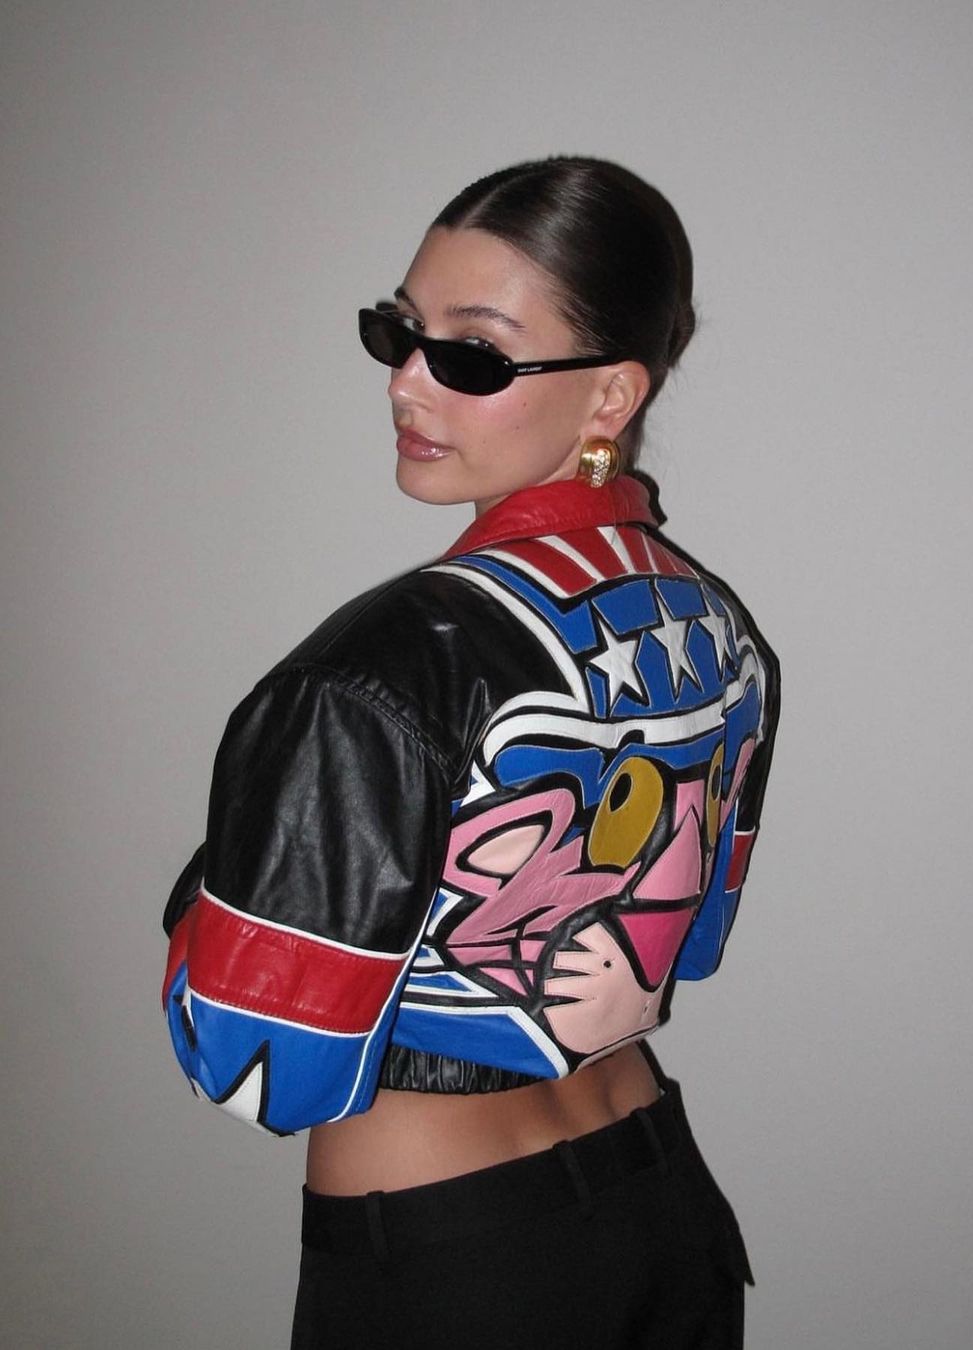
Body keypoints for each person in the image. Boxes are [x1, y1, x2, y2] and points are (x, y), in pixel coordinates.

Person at [162, 155, 780, 1350]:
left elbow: (256, 1062)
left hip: (454, 1262)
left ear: (611, 396)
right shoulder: (718, 629)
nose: (407, 380)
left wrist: (208, 887)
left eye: (474, 355)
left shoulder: (377, 670)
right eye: (398, 331)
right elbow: (686, 945)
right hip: (660, 1202)